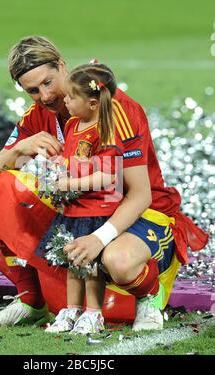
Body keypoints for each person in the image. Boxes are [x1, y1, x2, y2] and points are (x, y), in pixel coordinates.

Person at [0, 36, 208, 330]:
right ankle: (31, 299)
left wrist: (99, 238)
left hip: (138, 214)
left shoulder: (115, 108)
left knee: (117, 261)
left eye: (48, 82)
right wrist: (18, 150)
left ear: (62, 66)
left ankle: (148, 297)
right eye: (33, 90)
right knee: (4, 189)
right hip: (80, 215)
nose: (45, 96)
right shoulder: (38, 116)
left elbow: (140, 194)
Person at [36, 63, 122, 334]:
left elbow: (108, 176)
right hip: (73, 208)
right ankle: (72, 310)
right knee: (72, 262)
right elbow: (73, 158)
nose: (66, 101)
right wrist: (57, 166)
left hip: (95, 210)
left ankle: (94, 314)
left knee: (91, 265)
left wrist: (71, 183)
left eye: (72, 97)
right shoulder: (73, 124)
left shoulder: (105, 130)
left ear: (93, 103)